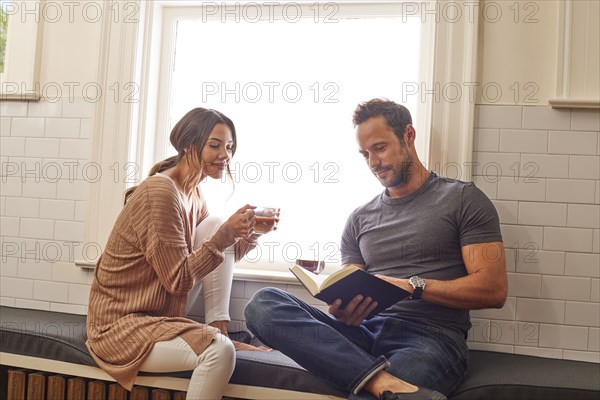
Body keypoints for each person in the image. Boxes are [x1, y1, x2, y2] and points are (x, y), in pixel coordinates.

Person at [244, 99, 507, 400]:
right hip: (362, 334)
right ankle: (379, 381)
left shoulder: (463, 199)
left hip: (430, 338)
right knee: (263, 305)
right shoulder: (359, 218)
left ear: (409, 135)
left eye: (380, 148)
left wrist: (410, 287)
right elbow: (351, 284)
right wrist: (343, 308)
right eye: (365, 154)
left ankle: (367, 381)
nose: (373, 162)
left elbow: (493, 290)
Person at [86, 108, 276, 400]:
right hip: (121, 326)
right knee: (219, 352)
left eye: (229, 147)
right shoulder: (161, 193)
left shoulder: (193, 191)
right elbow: (178, 280)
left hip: (161, 313)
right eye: (215, 145)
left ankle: (219, 327)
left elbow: (217, 257)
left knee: (213, 224)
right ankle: (221, 338)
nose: (225, 155)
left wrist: (251, 233)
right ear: (189, 145)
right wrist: (226, 232)